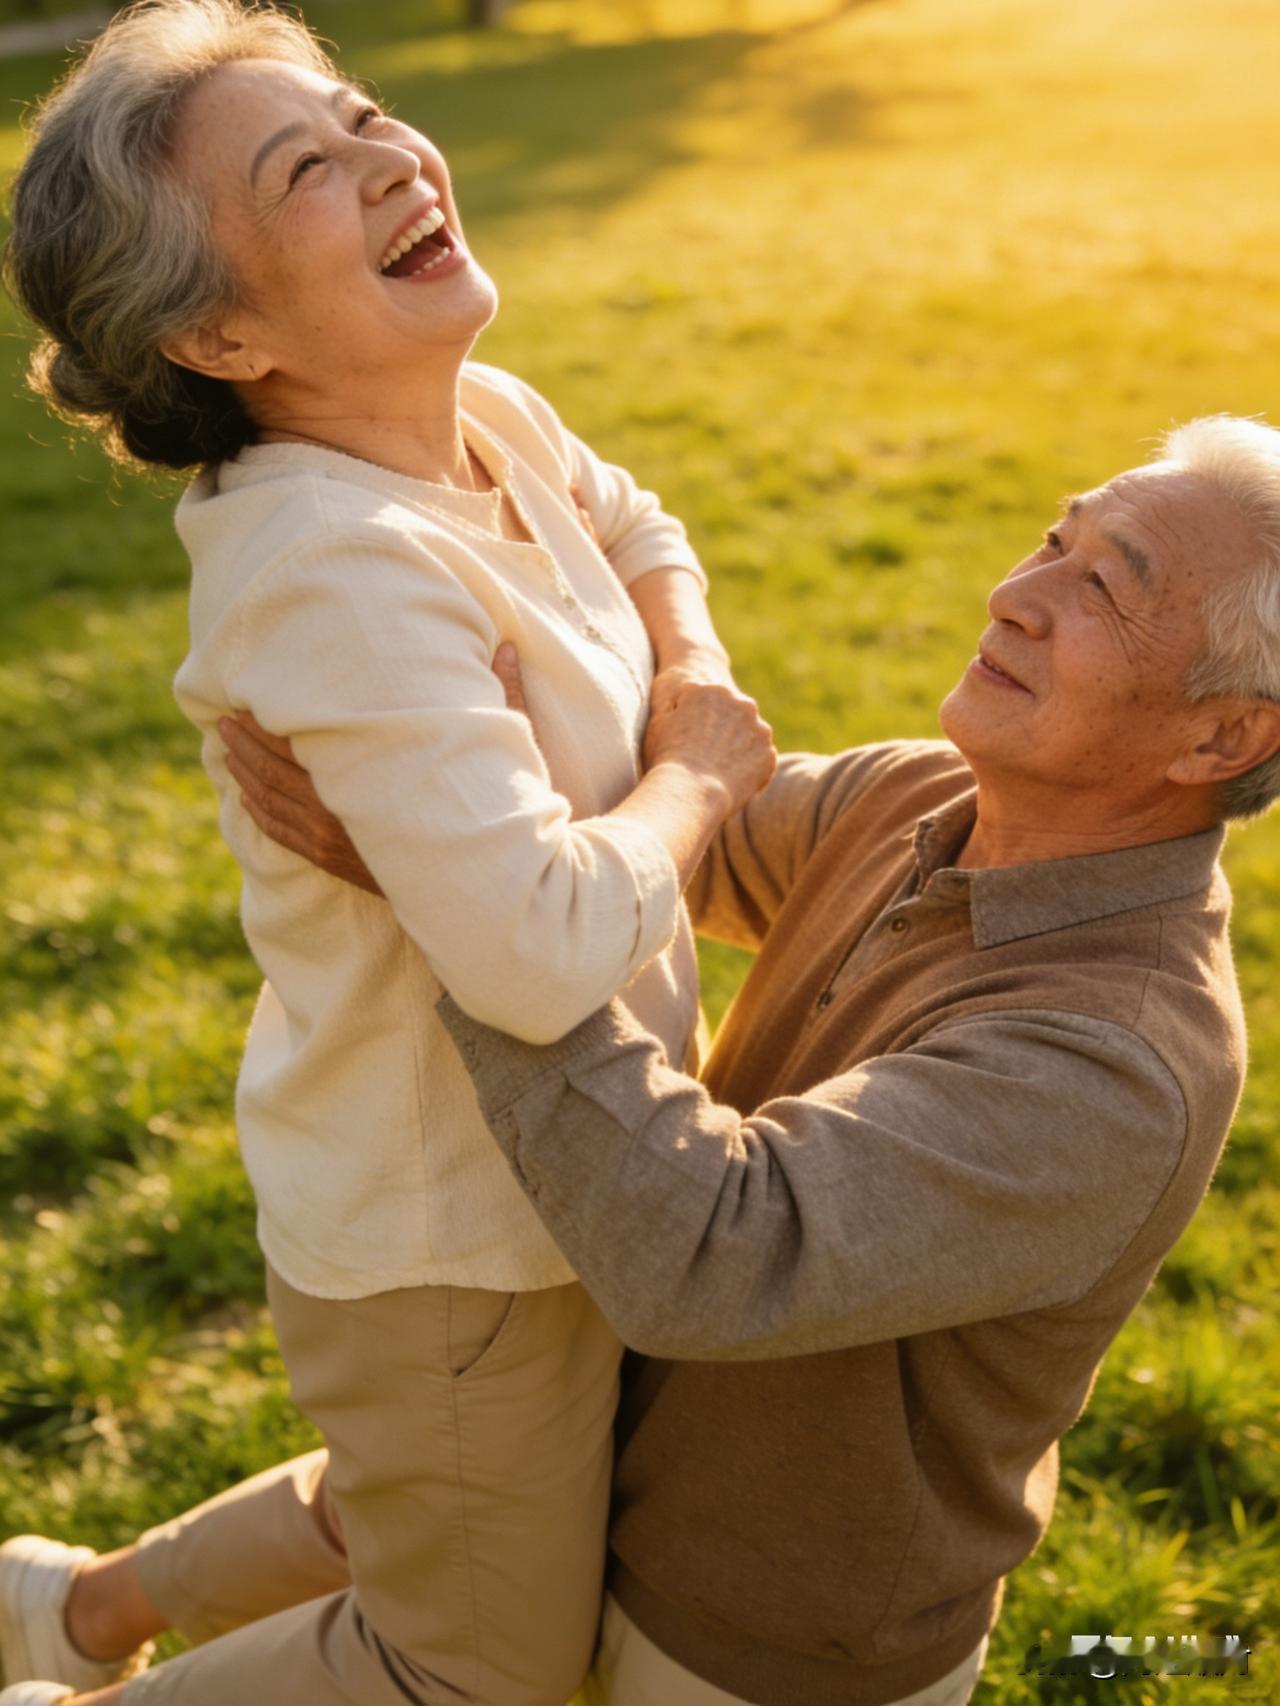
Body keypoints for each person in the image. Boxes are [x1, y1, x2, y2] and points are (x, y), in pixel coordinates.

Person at [200, 416, 1280, 1705]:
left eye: (1105, 586)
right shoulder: (918, 801)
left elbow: (712, 1251)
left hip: (766, 1640)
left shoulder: (1113, 1065)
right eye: (1056, 537)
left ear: (1222, 741)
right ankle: (75, 1611)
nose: (1017, 593)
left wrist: (454, 890)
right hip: (607, 1451)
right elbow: (663, 840)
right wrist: (441, 782)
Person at [0, 4, 774, 1705]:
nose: (390, 160)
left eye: (363, 118)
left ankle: (71, 1609)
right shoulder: (334, 570)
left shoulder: (471, 412)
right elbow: (535, 944)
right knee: (462, 1672)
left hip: (558, 1183)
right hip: (454, 1245)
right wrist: (697, 782)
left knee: (403, 1509)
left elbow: (638, 519)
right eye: (308, 168)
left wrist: (689, 673)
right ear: (215, 331)